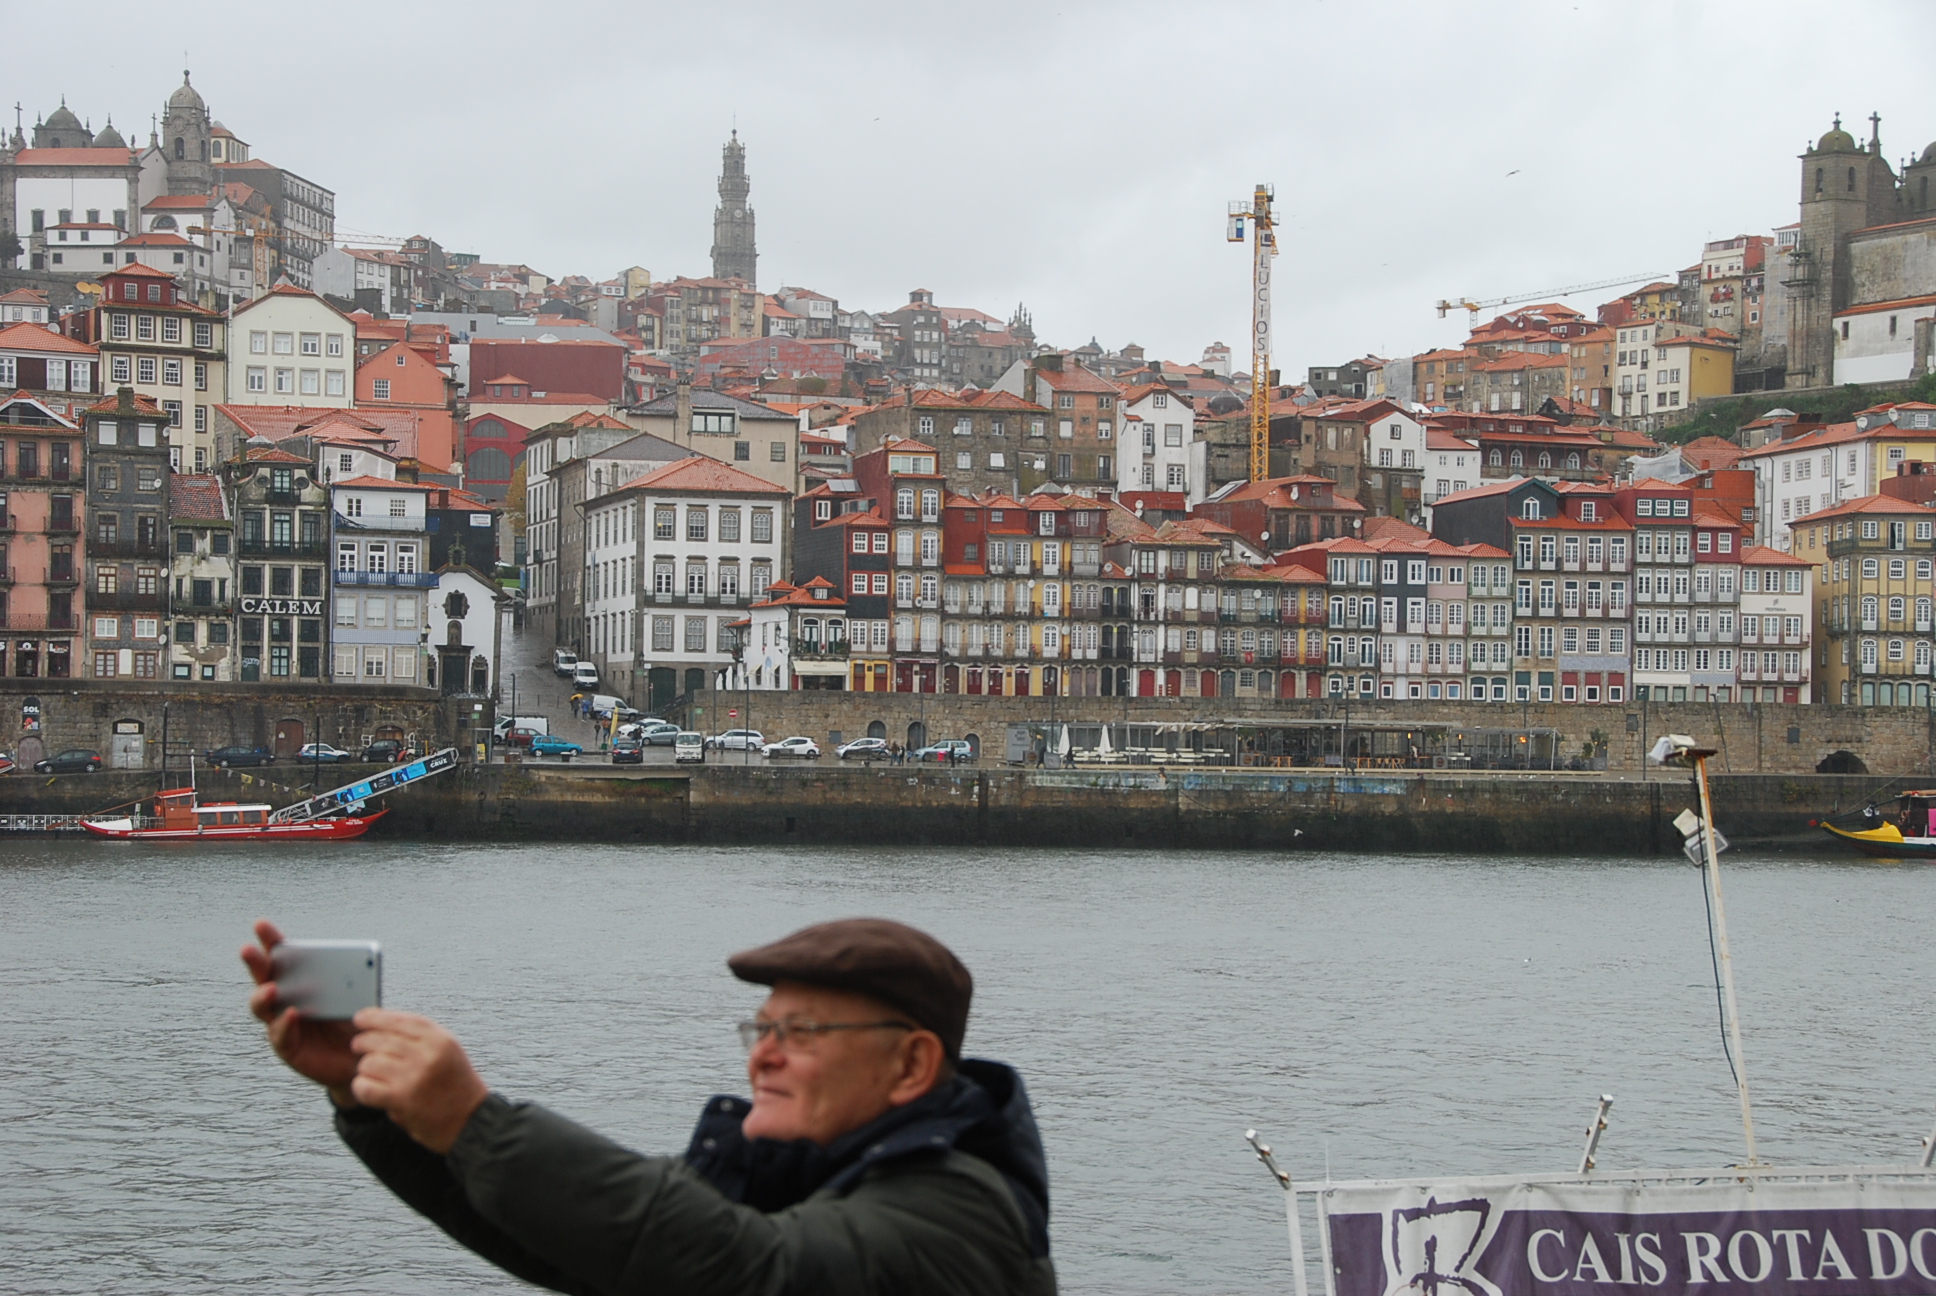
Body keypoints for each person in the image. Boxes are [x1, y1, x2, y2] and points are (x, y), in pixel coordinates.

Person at [242, 917, 1054, 1295]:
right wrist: (370, 1101)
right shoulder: (800, 1182)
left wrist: (476, 1121)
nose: (760, 1054)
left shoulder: (961, 1213)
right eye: (760, 1028)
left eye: (800, 1032)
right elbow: (575, 1247)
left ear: (912, 1064)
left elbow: (748, 1273)